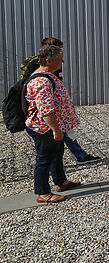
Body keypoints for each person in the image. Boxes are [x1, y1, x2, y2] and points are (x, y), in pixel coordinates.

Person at [25, 44, 82, 203]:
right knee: (44, 159)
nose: (62, 61)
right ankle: (43, 193)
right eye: (59, 58)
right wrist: (56, 130)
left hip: (52, 127)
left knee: (56, 154)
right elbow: (46, 111)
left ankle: (61, 182)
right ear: (49, 61)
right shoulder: (42, 81)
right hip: (45, 128)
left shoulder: (48, 75)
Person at [40, 37, 100, 165]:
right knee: (60, 133)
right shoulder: (45, 70)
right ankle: (78, 157)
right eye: (60, 51)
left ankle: (75, 158)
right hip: (53, 108)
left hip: (57, 106)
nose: (62, 58)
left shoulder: (54, 65)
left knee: (64, 132)